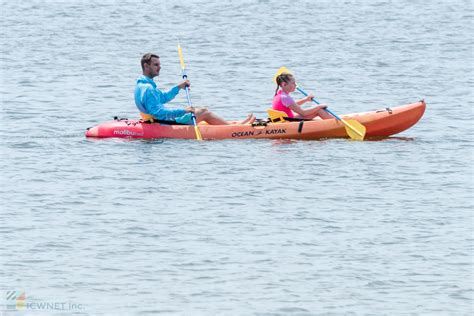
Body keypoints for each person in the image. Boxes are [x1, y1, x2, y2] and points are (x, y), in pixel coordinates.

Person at [134, 53, 255, 125]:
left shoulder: (142, 85)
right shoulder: (149, 89)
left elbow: (162, 97)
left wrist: (178, 87)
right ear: (146, 66)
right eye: (156, 65)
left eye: (159, 64)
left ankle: (232, 124)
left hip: (157, 119)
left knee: (200, 111)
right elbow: (160, 112)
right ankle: (233, 128)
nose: (160, 67)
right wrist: (184, 111)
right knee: (203, 111)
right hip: (164, 122)